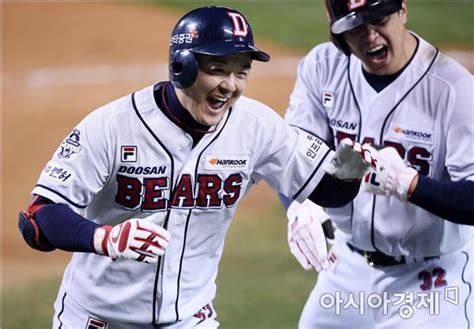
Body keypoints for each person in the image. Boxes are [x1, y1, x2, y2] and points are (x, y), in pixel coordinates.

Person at [18, 6, 377, 329]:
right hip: (99, 320)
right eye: (218, 70)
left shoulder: (256, 127)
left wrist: (352, 166)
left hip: (190, 319)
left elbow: (332, 190)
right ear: (182, 65)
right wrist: (105, 238)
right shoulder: (113, 125)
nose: (229, 86)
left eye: (241, 73)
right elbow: (37, 218)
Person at [282, 0, 474, 328]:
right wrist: (299, 206)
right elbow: (292, 157)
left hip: (430, 282)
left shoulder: (454, 90)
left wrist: (408, 184)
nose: (370, 36)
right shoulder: (322, 67)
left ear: (402, 10)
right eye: (355, 27)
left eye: (379, 19)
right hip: (344, 268)